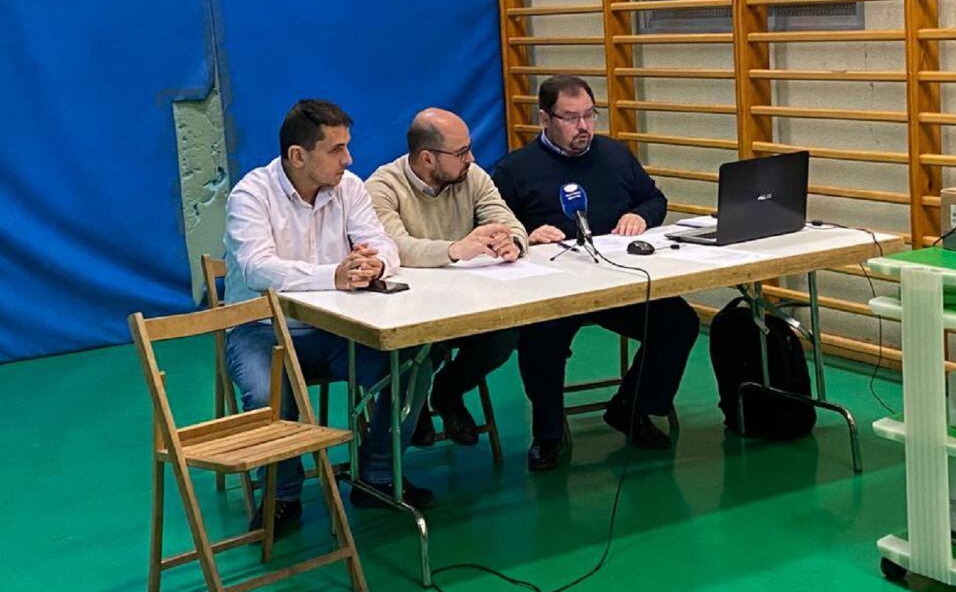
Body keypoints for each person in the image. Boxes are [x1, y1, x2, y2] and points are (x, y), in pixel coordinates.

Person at [224, 99, 435, 537]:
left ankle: (377, 473)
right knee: (267, 391)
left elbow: (383, 243)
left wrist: (376, 265)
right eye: (337, 149)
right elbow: (256, 268)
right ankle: (281, 496)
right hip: (263, 327)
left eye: (347, 147)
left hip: (339, 326)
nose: (349, 159)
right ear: (298, 156)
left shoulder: (350, 188)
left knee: (412, 364)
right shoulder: (250, 194)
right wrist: (332, 276)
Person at [492, 75, 700, 471]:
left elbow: (655, 198)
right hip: (552, 291)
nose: (583, 127)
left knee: (678, 323)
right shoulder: (514, 169)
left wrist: (640, 215)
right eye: (570, 118)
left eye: (589, 115)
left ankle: (632, 408)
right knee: (541, 339)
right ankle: (548, 433)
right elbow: (493, 225)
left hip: (616, 280)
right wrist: (524, 235)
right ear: (544, 119)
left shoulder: (615, 155)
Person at [366, 108, 525, 446]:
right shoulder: (382, 186)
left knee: (505, 333)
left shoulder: (473, 176)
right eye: (461, 152)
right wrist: (454, 250)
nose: (471, 158)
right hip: (409, 305)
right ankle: (416, 403)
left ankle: (448, 391)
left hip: (467, 299)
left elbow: (505, 218)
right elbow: (395, 247)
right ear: (427, 158)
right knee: (422, 347)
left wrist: (512, 242)